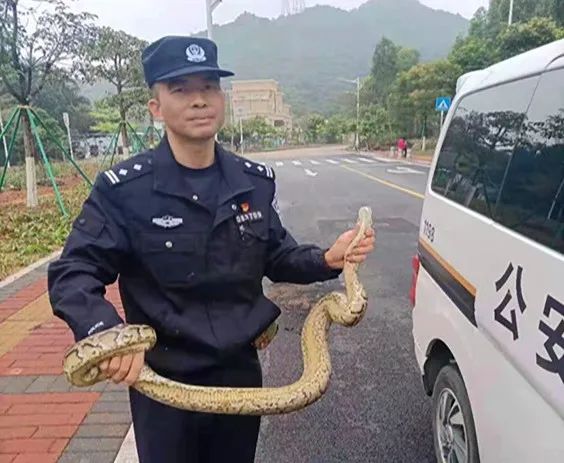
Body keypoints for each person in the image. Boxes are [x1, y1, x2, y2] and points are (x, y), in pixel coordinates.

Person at [47, 36, 375, 463]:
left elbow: (277, 255)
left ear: (222, 100)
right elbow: (74, 271)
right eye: (181, 89)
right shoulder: (125, 190)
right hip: (164, 384)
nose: (199, 100)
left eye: (208, 87)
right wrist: (105, 331)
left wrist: (328, 258)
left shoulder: (252, 182)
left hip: (239, 375)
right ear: (156, 107)